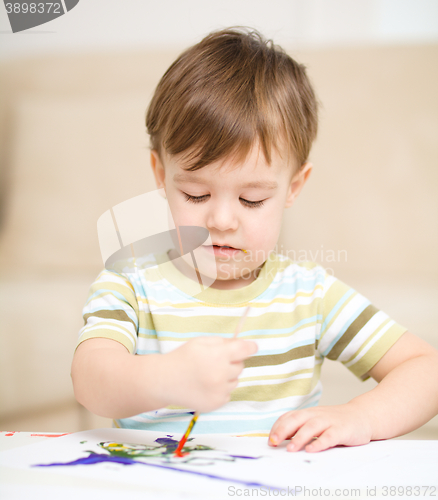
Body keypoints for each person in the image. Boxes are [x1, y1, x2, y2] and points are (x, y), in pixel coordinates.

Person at [71, 27, 438, 453]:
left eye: (251, 198)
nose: (222, 220)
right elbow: (90, 379)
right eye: (196, 194)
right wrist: (166, 378)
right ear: (160, 175)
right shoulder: (130, 283)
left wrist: (361, 415)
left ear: (293, 188)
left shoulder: (309, 294)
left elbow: (426, 369)